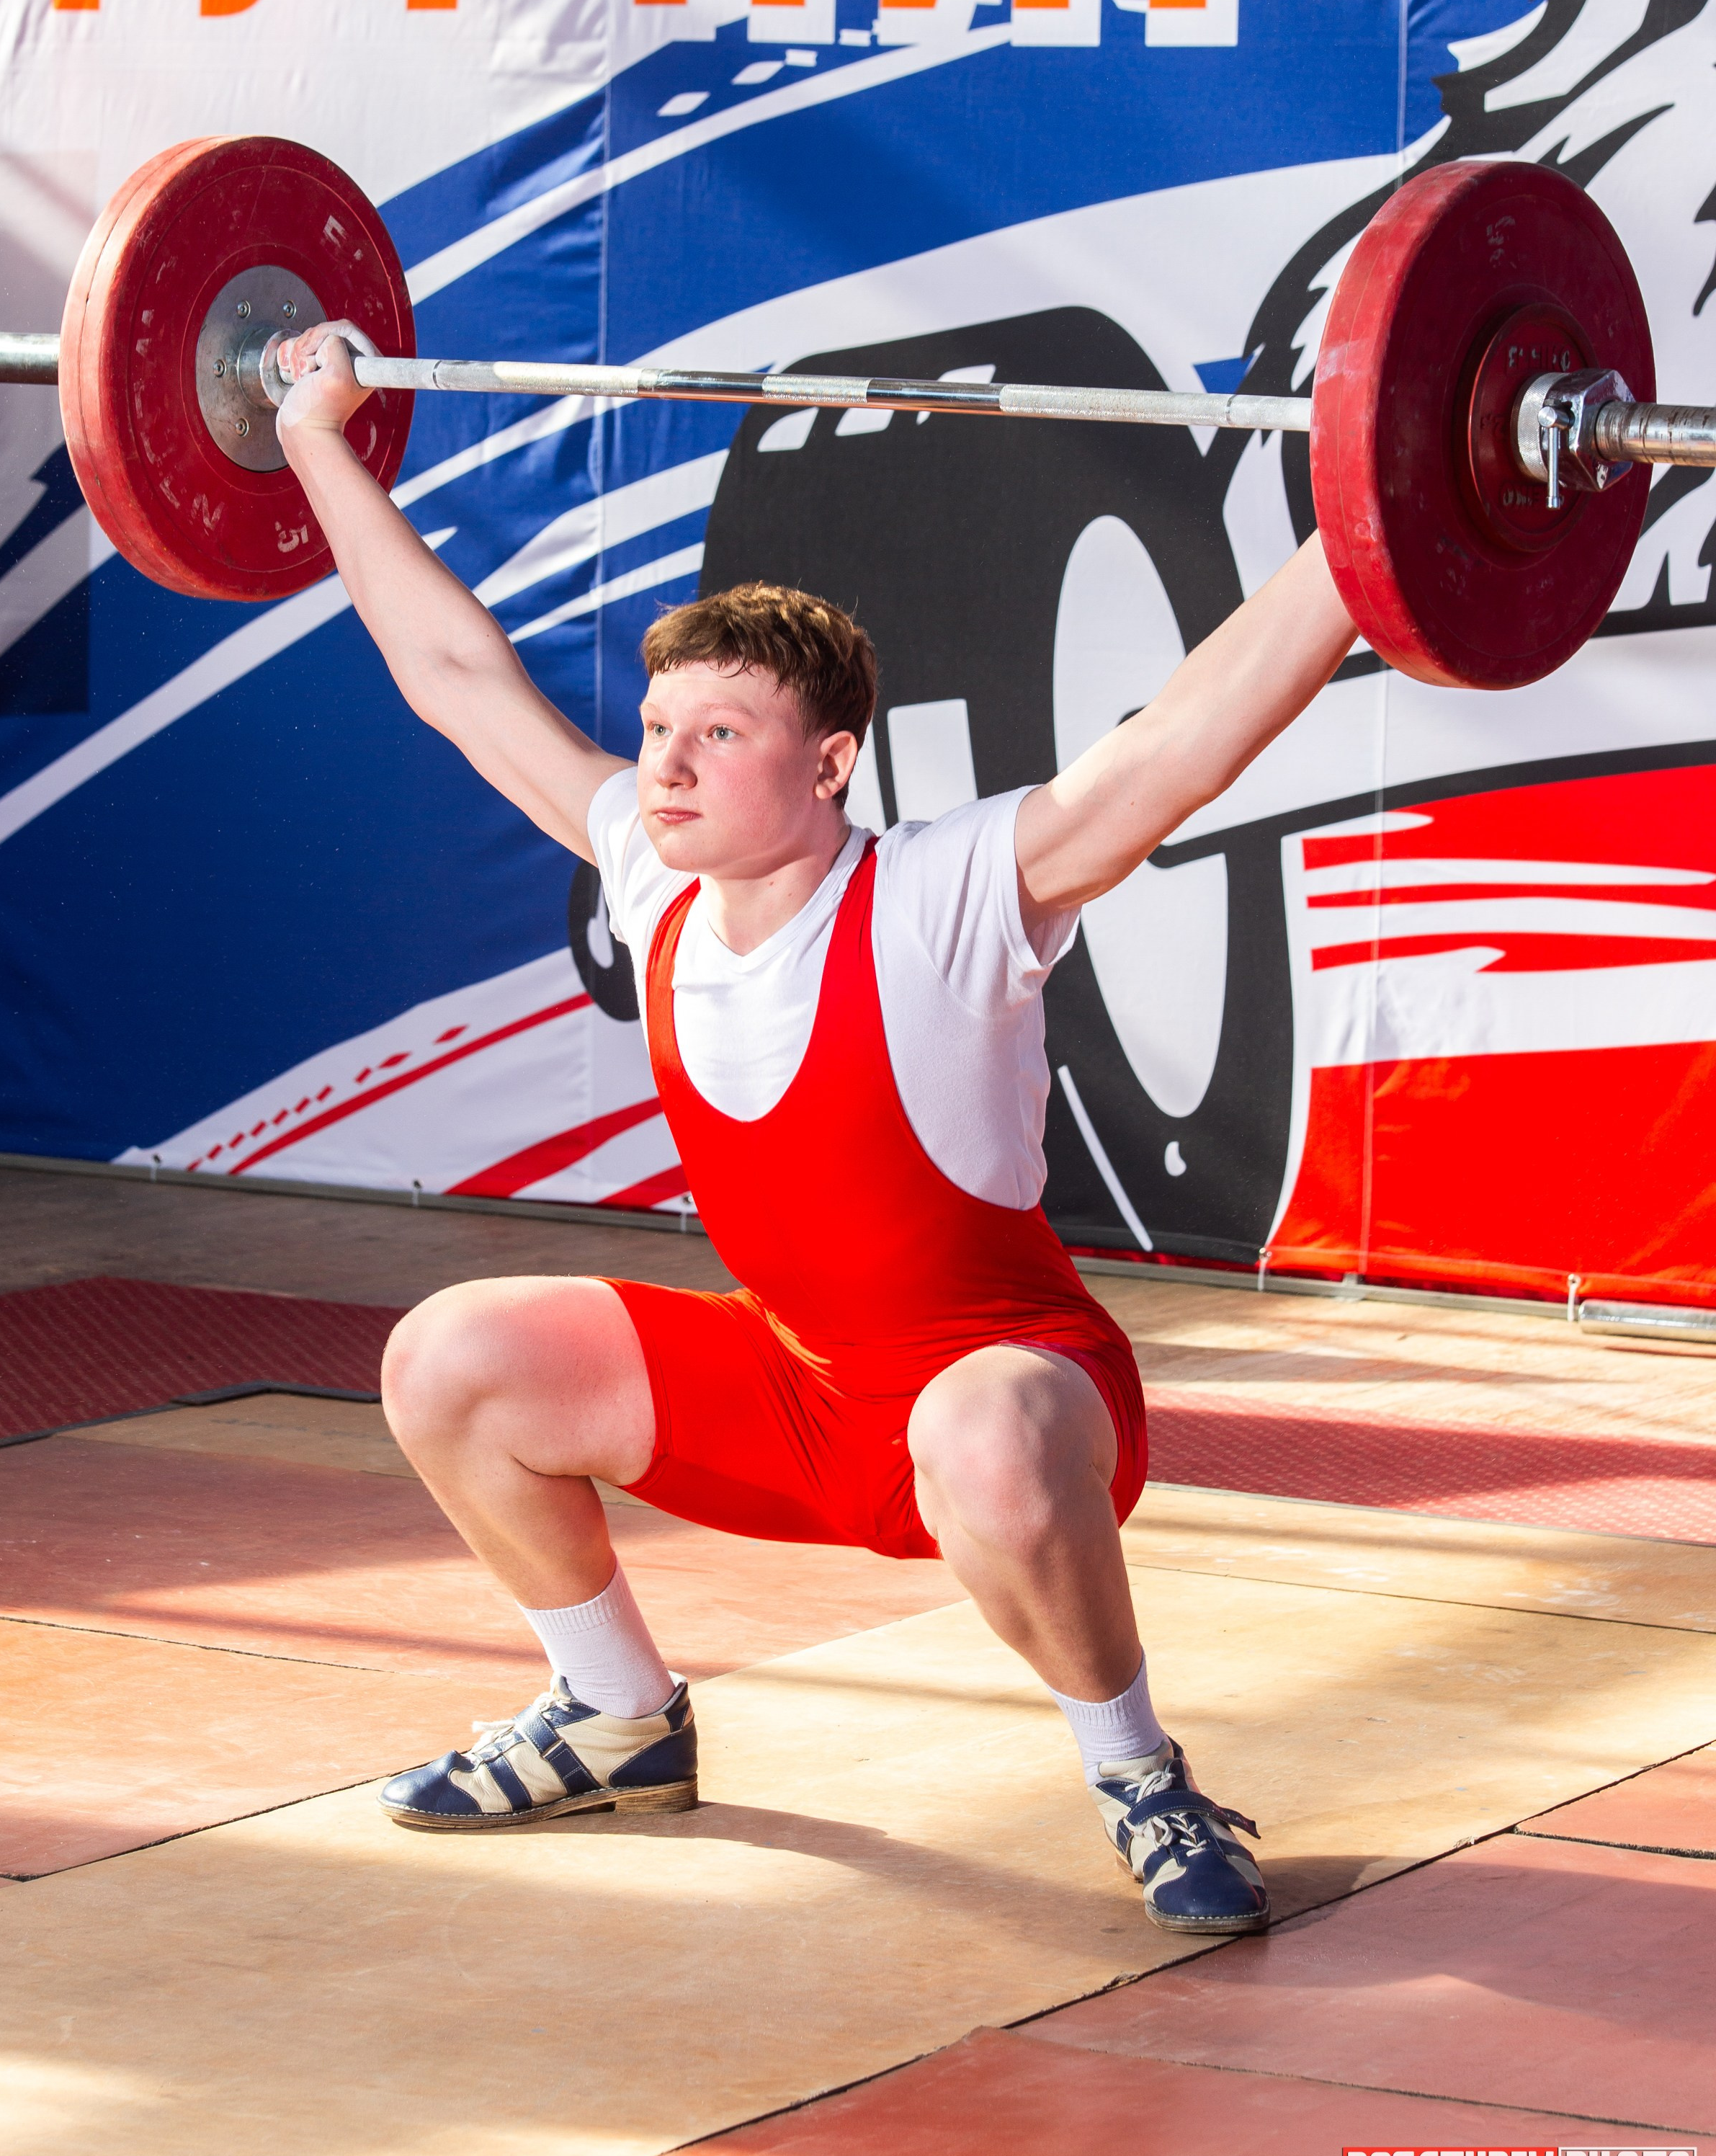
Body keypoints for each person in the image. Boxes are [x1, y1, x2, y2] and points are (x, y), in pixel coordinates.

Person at [274, 321, 1358, 1935]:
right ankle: (614, 1716)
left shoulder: (942, 894)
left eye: (718, 733)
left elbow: (1181, 740)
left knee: (979, 1442)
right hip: (797, 1390)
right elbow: (451, 674)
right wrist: (311, 437)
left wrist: (1372, 525)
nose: (667, 763)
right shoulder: (649, 877)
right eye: (656, 732)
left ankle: (1137, 1774)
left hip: (1013, 1398)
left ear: (828, 762)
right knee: (448, 1358)